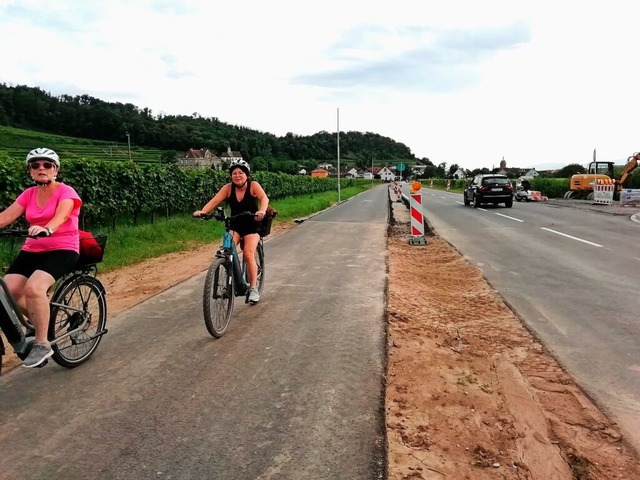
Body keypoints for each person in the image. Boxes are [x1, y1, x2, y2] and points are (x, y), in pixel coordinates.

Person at [0, 148, 82, 368]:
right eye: (35, 165)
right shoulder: (28, 194)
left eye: (47, 165)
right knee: (6, 291)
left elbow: (63, 214)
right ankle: (39, 322)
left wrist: (48, 228)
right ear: (30, 171)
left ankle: (43, 343)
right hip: (32, 249)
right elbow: (6, 217)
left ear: (55, 169)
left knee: (34, 288)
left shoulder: (66, 191)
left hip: (63, 248)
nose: (41, 169)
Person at [193, 159, 269, 303]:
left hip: (252, 225)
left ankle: (253, 288)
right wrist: (203, 212)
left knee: (247, 253)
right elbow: (215, 201)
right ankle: (232, 282)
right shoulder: (228, 188)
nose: (237, 175)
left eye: (241, 172)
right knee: (227, 250)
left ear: (246, 174)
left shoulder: (253, 186)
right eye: (234, 173)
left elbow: (264, 198)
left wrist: (262, 211)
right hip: (235, 225)